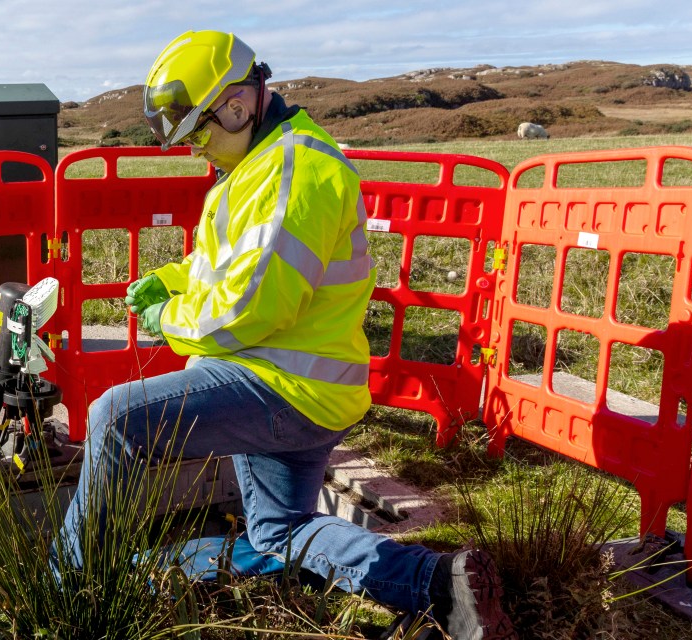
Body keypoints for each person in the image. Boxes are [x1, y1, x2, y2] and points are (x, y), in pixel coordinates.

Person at [54, 30, 516, 640]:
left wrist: (169, 319)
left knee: (116, 417)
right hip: (302, 388)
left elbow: (250, 308)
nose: (194, 147)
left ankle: (63, 593)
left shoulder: (295, 171)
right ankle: (445, 586)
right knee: (280, 532)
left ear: (239, 105)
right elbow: (230, 265)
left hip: (281, 386)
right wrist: (170, 278)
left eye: (198, 130)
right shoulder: (256, 163)